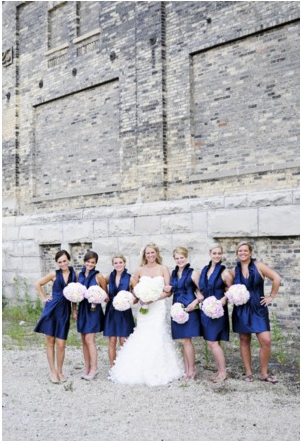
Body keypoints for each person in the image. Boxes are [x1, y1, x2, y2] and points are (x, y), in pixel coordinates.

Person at [109, 243, 183, 386]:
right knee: (142, 333)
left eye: (152, 253)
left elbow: (168, 292)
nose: (150, 255)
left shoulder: (163, 269)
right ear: (144, 255)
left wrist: (153, 298)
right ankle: (137, 367)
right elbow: (134, 289)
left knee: (157, 334)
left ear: (156, 253)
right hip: (144, 309)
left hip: (158, 307)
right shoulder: (139, 270)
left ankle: (159, 368)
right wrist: (133, 298)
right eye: (147, 253)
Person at [230, 241, 281, 383]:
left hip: (258, 308)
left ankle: (264, 373)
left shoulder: (259, 266)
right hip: (241, 309)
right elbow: (225, 285)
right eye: (240, 251)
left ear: (250, 252)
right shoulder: (234, 270)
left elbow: (277, 278)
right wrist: (231, 294)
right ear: (237, 253)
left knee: (266, 340)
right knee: (244, 340)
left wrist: (271, 296)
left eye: (245, 250)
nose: (243, 253)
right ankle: (248, 372)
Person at [34, 250, 76, 383]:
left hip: (64, 311)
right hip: (51, 309)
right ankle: (52, 372)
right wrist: (44, 298)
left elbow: (75, 296)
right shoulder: (54, 274)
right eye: (59, 262)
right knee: (50, 341)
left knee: (61, 343)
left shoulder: (74, 275)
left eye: (64, 261)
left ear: (68, 260)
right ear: (57, 263)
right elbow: (38, 284)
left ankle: (60, 371)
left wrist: (74, 310)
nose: (62, 264)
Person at [199, 244, 233, 382]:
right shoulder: (204, 270)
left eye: (219, 253)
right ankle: (219, 371)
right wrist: (198, 295)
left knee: (212, 341)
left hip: (217, 309)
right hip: (206, 309)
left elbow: (232, 290)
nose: (217, 255)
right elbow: (199, 288)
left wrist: (224, 299)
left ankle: (223, 373)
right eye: (214, 253)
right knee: (213, 341)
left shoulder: (224, 272)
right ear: (210, 253)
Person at [72, 251, 109, 381]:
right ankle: (87, 367)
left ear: (96, 263)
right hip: (82, 309)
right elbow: (74, 294)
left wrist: (97, 297)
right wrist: (74, 310)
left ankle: (94, 368)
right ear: (84, 262)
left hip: (93, 311)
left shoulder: (98, 276)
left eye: (92, 262)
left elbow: (106, 296)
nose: (90, 264)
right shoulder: (79, 275)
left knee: (89, 340)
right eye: (88, 262)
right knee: (83, 340)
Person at [170, 246, 203, 380]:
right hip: (177, 307)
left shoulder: (193, 273)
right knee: (184, 341)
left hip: (190, 308)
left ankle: (192, 370)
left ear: (186, 257)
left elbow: (202, 293)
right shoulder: (173, 273)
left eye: (181, 257)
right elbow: (172, 290)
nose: (179, 260)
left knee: (186, 340)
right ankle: (187, 370)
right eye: (177, 258)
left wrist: (194, 303)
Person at [104, 254, 137, 367]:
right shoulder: (109, 277)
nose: (118, 265)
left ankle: (124, 367)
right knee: (112, 341)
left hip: (124, 312)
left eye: (120, 262)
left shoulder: (130, 278)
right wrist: (103, 296)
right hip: (111, 311)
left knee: (123, 341)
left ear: (124, 263)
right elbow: (102, 288)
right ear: (113, 264)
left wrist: (130, 301)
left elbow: (137, 294)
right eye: (116, 263)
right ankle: (113, 367)